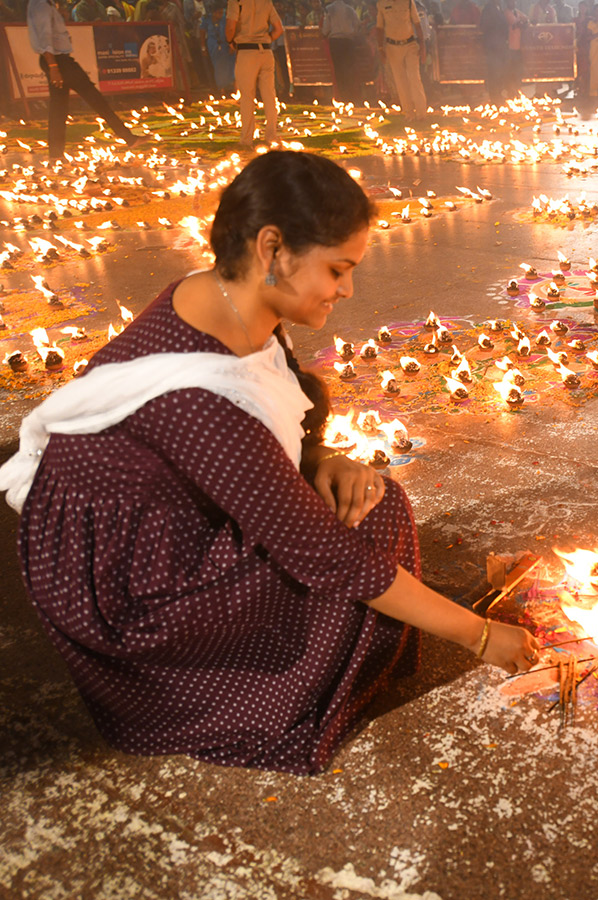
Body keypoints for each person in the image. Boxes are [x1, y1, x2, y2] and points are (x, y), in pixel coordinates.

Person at [0, 151, 541, 776]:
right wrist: (478, 636)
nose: (349, 288)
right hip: (130, 592)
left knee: (364, 496)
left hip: (142, 524)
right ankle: (234, 687)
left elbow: (272, 413)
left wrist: (319, 460)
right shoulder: (201, 403)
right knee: (365, 531)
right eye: (338, 268)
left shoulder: (218, 294)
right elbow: (327, 557)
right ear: (273, 249)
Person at [26, 0, 140, 160]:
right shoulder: (41, 5)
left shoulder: (48, 4)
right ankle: (128, 137)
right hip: (59, 62)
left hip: (60, 60)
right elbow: (44, 37)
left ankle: (55, 155)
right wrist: (53, 66)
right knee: (94, 98)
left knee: (59, 109)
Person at [226, 0, 283, 147]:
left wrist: (230, 41)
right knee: (269, 96)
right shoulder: (266, 2)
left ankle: (246, 140)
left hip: (246, 52)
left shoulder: (236, 1)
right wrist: (267, 39)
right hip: (266, 51)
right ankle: (271, 136)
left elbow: (230, 27)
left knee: (247, 96)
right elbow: (278, 29)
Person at [377, 0, 428, 114]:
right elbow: (379, 28)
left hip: (410, 44)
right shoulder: (381, 4)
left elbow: (417, 24)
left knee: (414, 77)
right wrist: (380, 48)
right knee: (400, 81)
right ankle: (409, 113)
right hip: (392, 47)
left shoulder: (409, 2)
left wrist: (422, 45)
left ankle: (421, 114)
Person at [322, 0, 360, 101]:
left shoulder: (329, 9)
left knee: (339, 70)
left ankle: (343, 96)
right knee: (349, 68)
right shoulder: (350, 9)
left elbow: (326, 28)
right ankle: (351, 96)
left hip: (335, 41)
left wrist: (324, 32)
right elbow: (357, 25)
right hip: (349, 41)